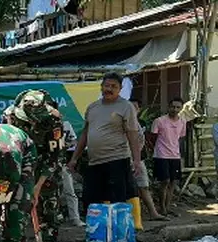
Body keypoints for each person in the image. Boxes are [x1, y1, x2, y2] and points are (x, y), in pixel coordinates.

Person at [7, 90, 65, 242]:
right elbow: (10, 148)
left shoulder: (54, 120)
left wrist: (38, 187)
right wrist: (21, 180)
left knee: (50, 211)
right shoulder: (11, 116)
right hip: (20, 167)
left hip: (46, 170)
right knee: (14, 211)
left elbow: (54, 157)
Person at [68, 73, 142, 218]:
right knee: (91, 200)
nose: (109, 89)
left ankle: (118, 235)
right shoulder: (93, 107)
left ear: (120, 89)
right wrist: (74, 158)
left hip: (117, 160)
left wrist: (137, 160)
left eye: (113, 86)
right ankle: (98, 235)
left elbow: (132, 135)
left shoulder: (126, 106)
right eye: (106, 86)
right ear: (101, 87)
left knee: (117, 201)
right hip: (95, 161)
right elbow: (85, 134)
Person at [129, 98, 166, 224]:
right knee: (126, 188)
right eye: (130, 107)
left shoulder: (140, 123)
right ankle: (130, 216)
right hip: (125, 159)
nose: (133, 109)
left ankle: (153, 213)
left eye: (135, 107)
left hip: (139, 159)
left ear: (139, 110)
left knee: (143, 185)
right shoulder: (123, 123)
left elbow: (142, 142)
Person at [50, 100, 86, 227]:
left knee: (69, 191)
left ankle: (75, 218)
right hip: (45, 164)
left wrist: (64, 145)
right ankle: (51, 219)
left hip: (61, 163)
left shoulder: (65, 125)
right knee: (49, 194)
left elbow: (74, 141)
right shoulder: (40, 126)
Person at [151, 97, 187, 217]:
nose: (175, 109)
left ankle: (167, 207)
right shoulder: (159, 121)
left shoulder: (183, 122)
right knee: (164, 181)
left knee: (173, 182)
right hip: (161, 155)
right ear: (168, 107)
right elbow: (152, 138)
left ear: (181, 108)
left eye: (178, 107)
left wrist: (180, 154)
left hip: (175, 156)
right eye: (173, 107)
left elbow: (180, 138)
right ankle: (161, 208)